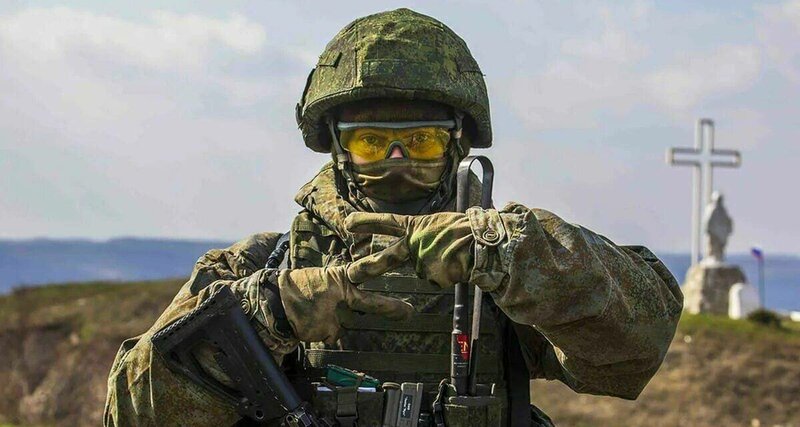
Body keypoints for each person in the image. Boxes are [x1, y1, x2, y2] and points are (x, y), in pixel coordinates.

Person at [104, 8, 682, 426]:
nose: (398, 161)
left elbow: (634, 351)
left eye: (422, 141)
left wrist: (513, 256)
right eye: (373, 142)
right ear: (339, 148)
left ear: (456, 146)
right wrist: (266, 316)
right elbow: (131, 413)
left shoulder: (499, 268)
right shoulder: (263, 266)